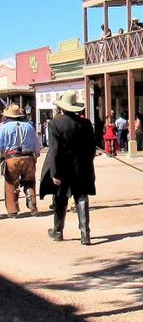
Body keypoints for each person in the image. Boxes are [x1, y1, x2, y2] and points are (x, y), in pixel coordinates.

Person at [39, 92, 96, 245]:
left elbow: (54, 150)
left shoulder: (55, 124)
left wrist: (54, 172)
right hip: (81, 167)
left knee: (60, 197)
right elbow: (91, 148)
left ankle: (58, 231)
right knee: (82, 196)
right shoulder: (85, 124)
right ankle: (85, 233)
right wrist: (87, 162)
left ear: (61, 108)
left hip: (63, 167)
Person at [0, 104, 41, 217]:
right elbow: (36, 144)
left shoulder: (3, 127)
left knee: (11, 183)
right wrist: (36, 156)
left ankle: (13, 211)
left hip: (12, 158)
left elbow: (0, 145)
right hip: (28, 157)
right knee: (30, 181)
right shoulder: (30, 126)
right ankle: (32, 205)